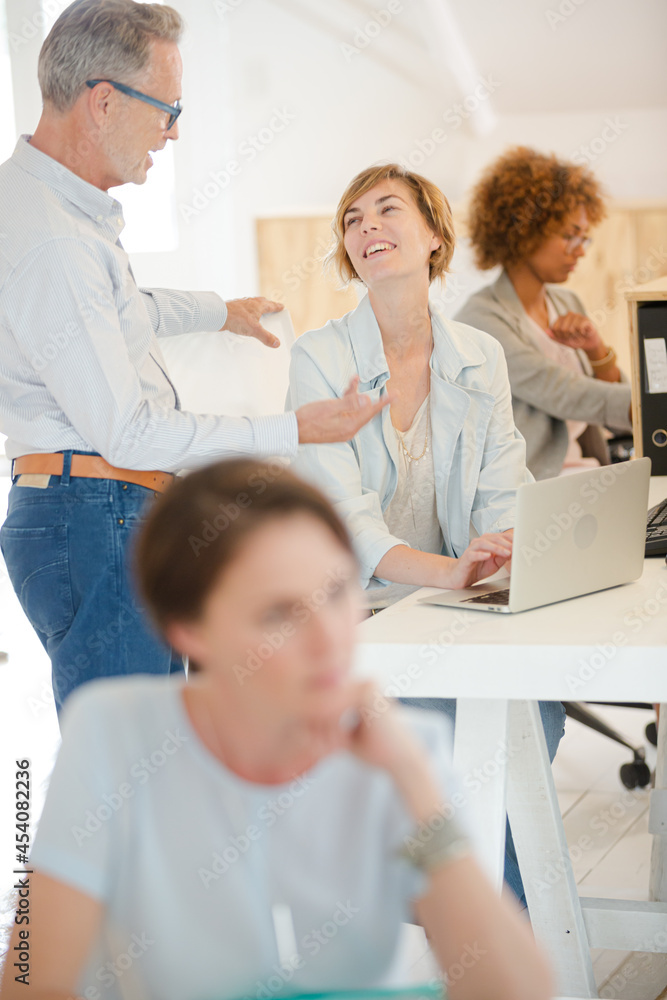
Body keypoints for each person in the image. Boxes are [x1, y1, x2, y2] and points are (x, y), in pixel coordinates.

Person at [0, 458, 552, 1000]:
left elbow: (519, 990)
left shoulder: (404, 747)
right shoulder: (114, 735)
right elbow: (30, 982)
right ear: (188, 630)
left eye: (336, 593)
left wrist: (414, 786)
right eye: (278, 614)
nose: (327, 639)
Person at [0, 0, 386, 714]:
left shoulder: (46, 211)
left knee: (144, 745)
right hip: (99, 514)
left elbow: (115, 315)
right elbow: (129, 433)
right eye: (167, 109)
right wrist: (292, 429)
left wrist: (217, 311)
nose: (173, 131)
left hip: (93, 511)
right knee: (134, 755)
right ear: (104, 102)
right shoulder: (58, 243)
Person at [285, 162, 565, 906]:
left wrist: (507, 547)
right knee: (463, 727)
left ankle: (486, 922)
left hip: (444, 607)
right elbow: (344, 524)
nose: (367, 226)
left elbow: (504, 491)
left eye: (387, 210)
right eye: (352, 219)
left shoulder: (479, 356)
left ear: (435, 236)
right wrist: (450, 571)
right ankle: (506, 931)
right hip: (353, 614)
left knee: (536, 711)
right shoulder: (320, 357)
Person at [455, 146, 632, 480]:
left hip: (590, 475)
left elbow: (615, 421)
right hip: (536, 487)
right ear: (524, 231)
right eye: (569, 236)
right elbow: (561, 392)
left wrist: (596, 351)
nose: (580, 251)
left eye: (584, 238)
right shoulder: (480, 319)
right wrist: (647, 405)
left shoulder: (567, 302)